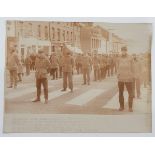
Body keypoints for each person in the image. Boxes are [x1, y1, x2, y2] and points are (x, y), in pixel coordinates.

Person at [117, 47, 134, 112]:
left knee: (130, 93)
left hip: (128, 78)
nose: (123, 52)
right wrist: (118, 74)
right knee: (120, 93)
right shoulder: (119, 58)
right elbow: (117, 66)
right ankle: (121, 106)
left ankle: (130, 107)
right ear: (121, 51)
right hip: (121, 78)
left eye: (124, 51)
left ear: (126, 51)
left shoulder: (130, 58)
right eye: (122, 51)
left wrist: (132, 75)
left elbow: (133, 68)